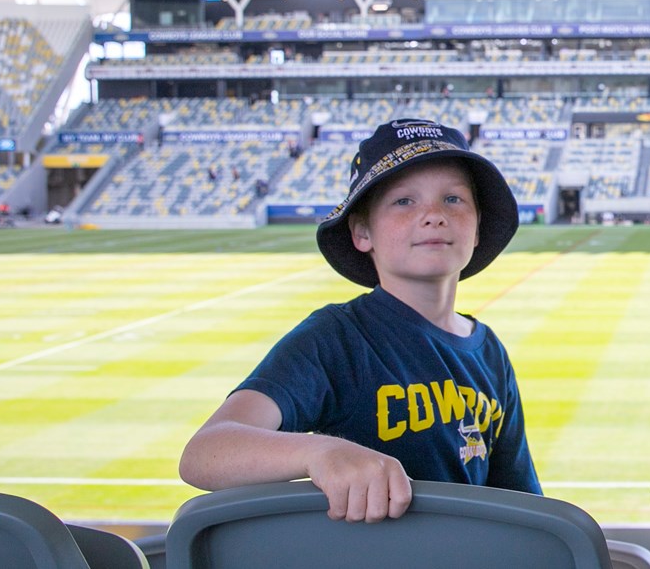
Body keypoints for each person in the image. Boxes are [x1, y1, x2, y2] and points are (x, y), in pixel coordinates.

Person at [180, 119, 538, 522]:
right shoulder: (335, 339)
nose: (434, 215)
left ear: (477, 229)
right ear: (362, 232)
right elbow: (204, 454)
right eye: (404, 201)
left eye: (453, 199)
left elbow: (521, 503)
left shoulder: (490, 353)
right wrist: (321, 452)